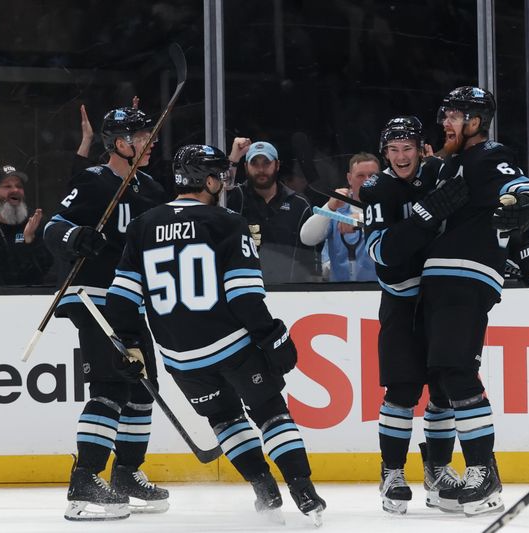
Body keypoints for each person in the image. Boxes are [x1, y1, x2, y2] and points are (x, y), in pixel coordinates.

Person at [103, 144, 326, 525]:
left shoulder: (142, 225)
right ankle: (302, 489)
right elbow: (244, 296)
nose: (223, 181)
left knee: (225, 419)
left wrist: (129, 344)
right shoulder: (226, 222)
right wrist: (272, 335)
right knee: (270, 411)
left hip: (179, 357)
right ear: (205, 179)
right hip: (231, 346)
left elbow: (120, 300)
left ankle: (263, 489)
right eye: (218, 174)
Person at [421, 86, 529, 516]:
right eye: (445, 115)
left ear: (475, 122)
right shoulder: (450, 163)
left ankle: (482, 471)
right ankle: (440, 473)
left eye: (454, 116)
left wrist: (527, 207)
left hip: (465, 275)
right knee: (439, 380)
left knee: (456, 371)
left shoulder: (488, 154)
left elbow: (523, 192)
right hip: (438, 279)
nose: (446, 122)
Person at [43, 107, 169, 521]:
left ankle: (127, 474)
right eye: (141, 136)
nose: (149, 142)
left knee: (142, 386)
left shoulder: (150, 188)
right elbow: (53, 226)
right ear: (119, 144)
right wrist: (76, 236)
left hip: (131, 301)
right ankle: (84, 480)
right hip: (95, 297)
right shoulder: (94, 181)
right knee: (111, 386)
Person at [359, 116, 468, 514]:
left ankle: (437, 470)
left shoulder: (441, 172)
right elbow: (382, 253)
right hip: (401, 301)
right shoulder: (376, 188)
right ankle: (392, 472)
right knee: (403, 391)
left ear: (421, 148)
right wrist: (424, 217)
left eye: (408, 148)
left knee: (443, 391)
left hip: (442, 299)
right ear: (385, 152)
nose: (401, 156)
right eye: (393, 149)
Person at [225, 139, 314, 283]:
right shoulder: (236, 198)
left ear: (277, 165)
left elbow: (311, 256)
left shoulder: (300, 205)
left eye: (266, 163)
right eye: (255, 164)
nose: (261, 170)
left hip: (291, 293)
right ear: (246, 166)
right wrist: (233, 159)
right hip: (243, 289)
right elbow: (220, 191)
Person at [300, 152, 379, 282]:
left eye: (372, 176)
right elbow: (307, 238)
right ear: (349, 178)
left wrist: (360, 219)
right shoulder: (338, 209)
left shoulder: (389, 206)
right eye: (360, 175)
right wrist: (329, 207)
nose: (366, 180)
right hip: (340, 294)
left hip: (380, 290)